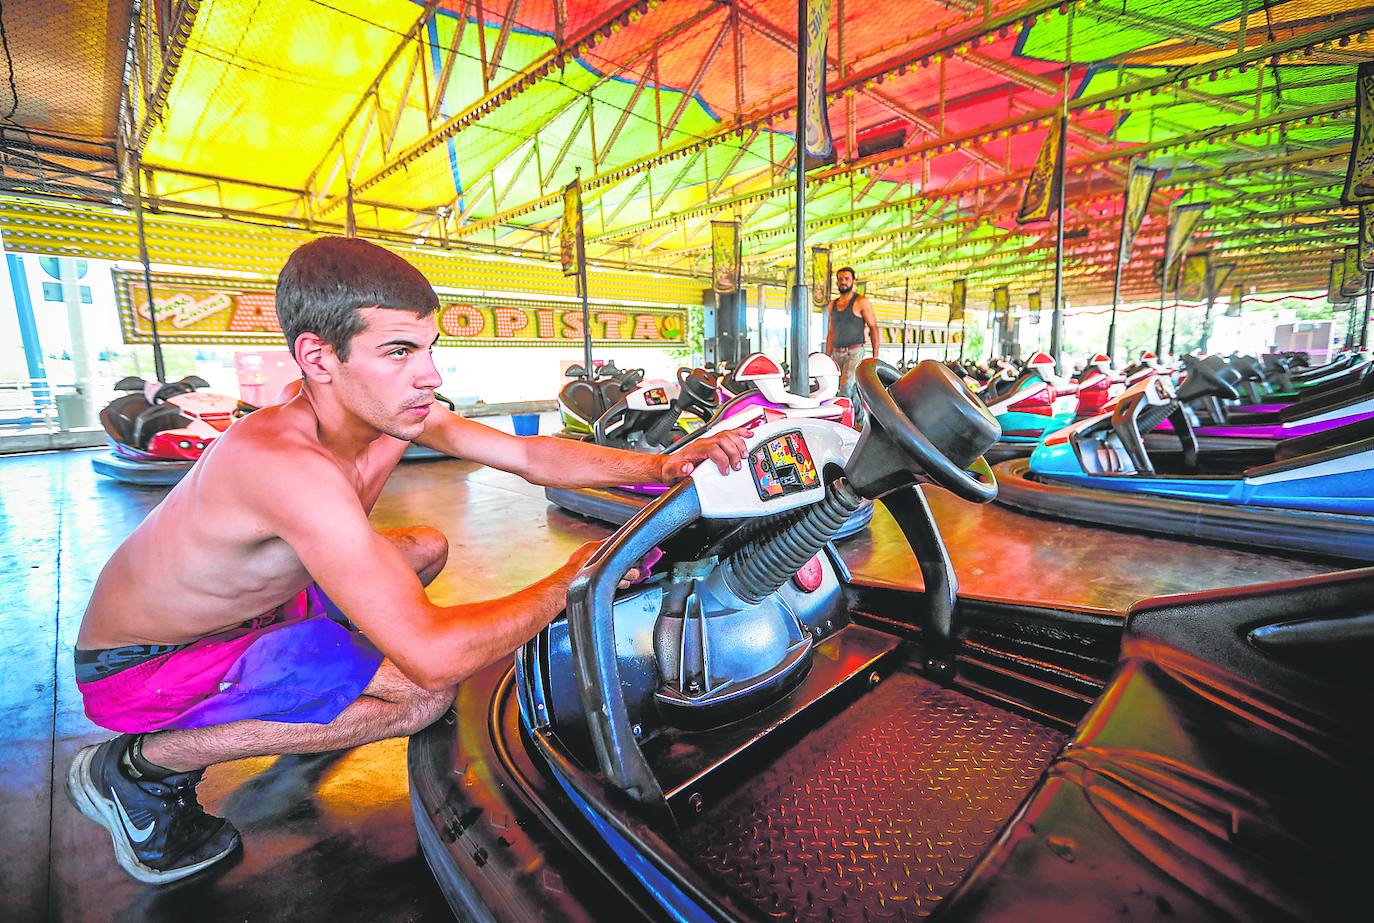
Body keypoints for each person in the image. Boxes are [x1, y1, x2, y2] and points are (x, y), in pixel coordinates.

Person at [67, 236, 750, 885]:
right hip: (147, 660)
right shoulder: (284, 463)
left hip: (258, 608)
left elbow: (530, 454)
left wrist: (662, 463)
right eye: (398, 350)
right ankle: (137, 767)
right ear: (318, 357)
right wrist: (577, 577)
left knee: (424, 546)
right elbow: (434, 656)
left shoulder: (384, 410)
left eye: (428, 346)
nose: (430, 374)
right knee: (421, 696)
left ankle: (310, 685)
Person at [823, 266, 880, 417]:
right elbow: (831, 332)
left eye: (846, 278)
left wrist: (875, 356)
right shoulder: (832, 305)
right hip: (836, 352)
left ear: (853, 281)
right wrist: (826, 357)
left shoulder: (861, 301)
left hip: (854, 352)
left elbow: (873, 327)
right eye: (840, 279)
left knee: (846, 387)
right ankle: (859, 418)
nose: (843, 282)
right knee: (834, 388)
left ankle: (849, 421)